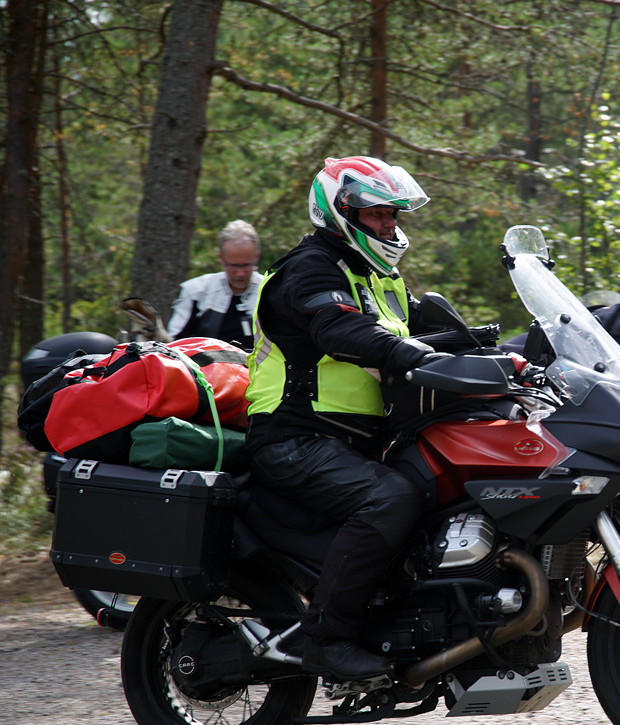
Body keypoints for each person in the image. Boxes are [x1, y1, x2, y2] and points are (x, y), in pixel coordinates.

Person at [244, 156, 451, 684]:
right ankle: (326, 639)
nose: (388, 226)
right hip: (293, 438)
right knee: (391, 498)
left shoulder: (380, 278)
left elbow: (429, 335)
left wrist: (510, 353)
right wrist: (412, 354)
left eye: (393, 215)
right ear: (341, 213)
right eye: (377, 214)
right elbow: (338, 329)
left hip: (355, 441)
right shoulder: (310, 268)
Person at [167, 220, 263, 349]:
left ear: (256, 257)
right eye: (233, 266)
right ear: (221, 258)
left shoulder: (271, 291)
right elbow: (174, 343)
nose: (240, 273)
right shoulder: (196, 291)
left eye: (246, 265)